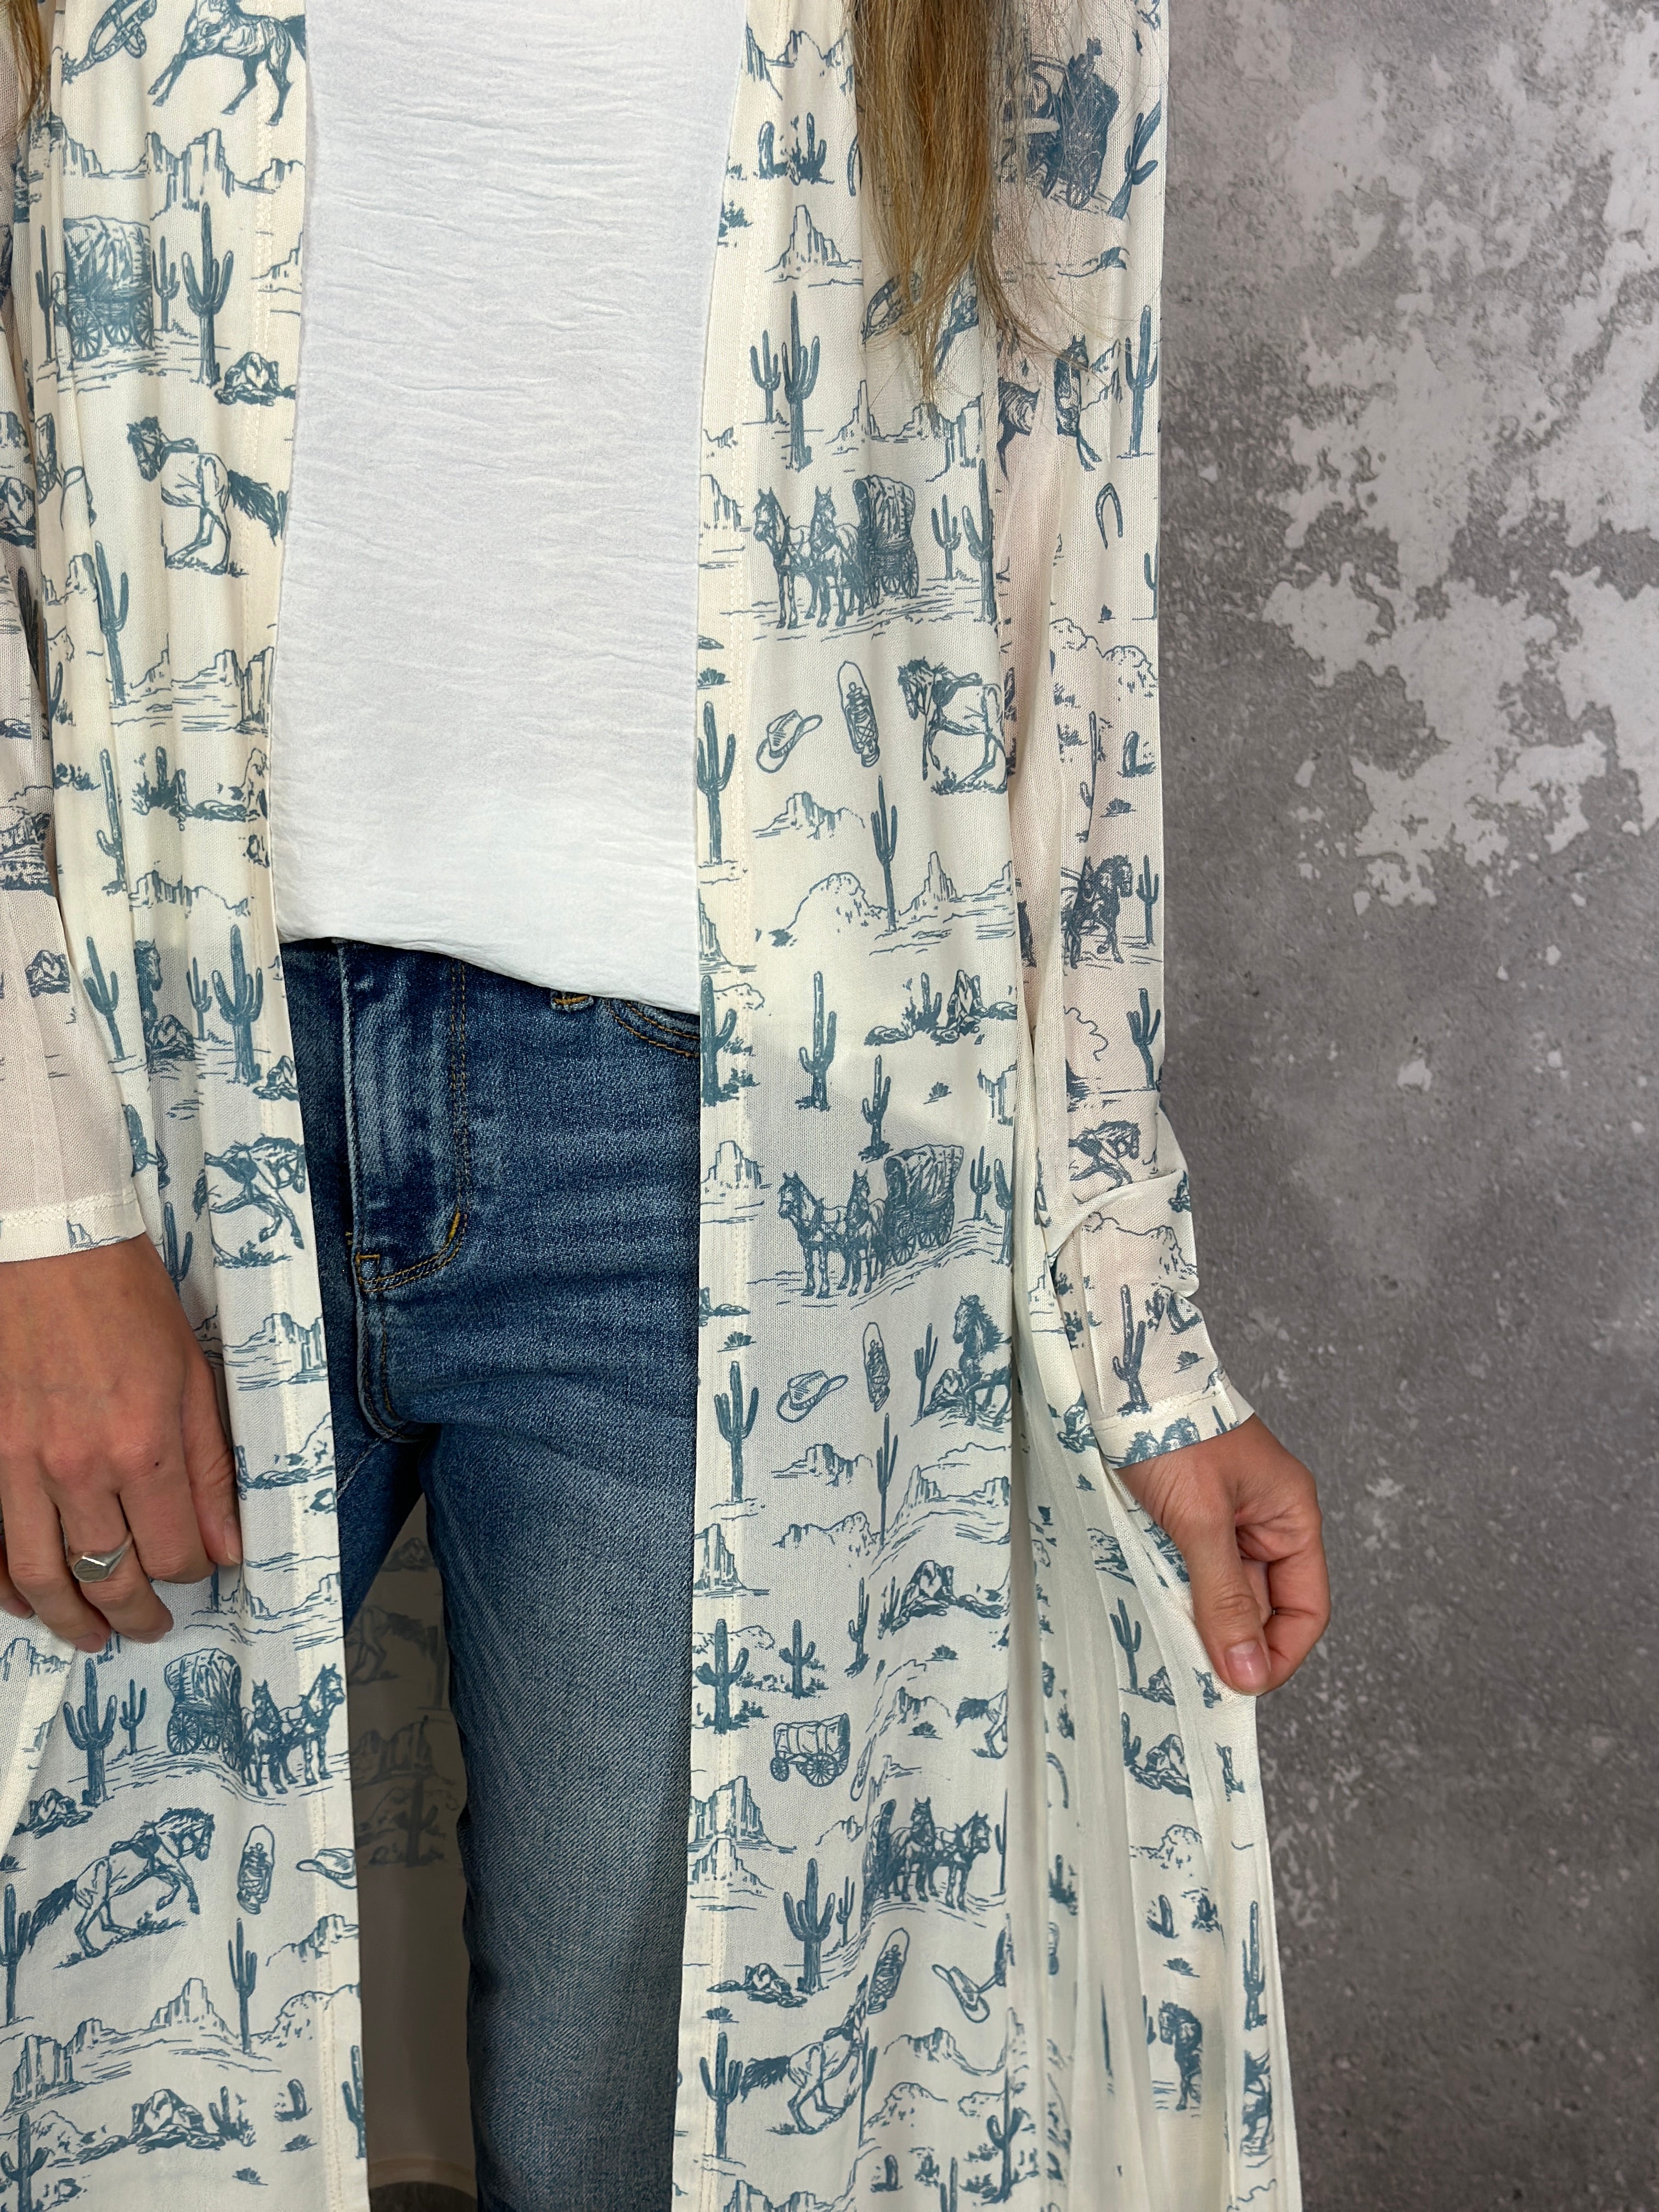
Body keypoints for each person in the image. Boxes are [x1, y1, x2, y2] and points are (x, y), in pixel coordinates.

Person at [0, 4, 1329, 2209]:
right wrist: (33, 1201)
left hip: (728, 1181)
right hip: (143, 1101)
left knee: (653, 2139)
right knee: (101, 2103)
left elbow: (1058, 610)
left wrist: (1133, 1324)